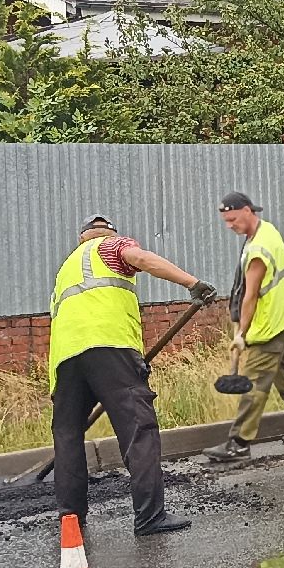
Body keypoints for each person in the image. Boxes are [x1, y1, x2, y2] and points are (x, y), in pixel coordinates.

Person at [49, 214, 215, 537]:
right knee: (139, 428)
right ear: (107, 234)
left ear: (81, 237)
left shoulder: (64, 271)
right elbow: (140, 258)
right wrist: (191, 283)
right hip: (111, 348)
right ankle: (150, 516)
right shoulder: (111, 247)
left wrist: (56, 387)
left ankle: (71, 520)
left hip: (65, 360)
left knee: (67, 436)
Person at [201, 193, 284, 465]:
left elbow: (251, 296)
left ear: (247, 211)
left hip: (268, 325)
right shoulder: (266, 230)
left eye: (232, 219)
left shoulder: (258, 250)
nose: (229, 225)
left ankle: (239, 443)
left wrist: (241, 335)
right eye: (226, 221)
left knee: (254, 384)